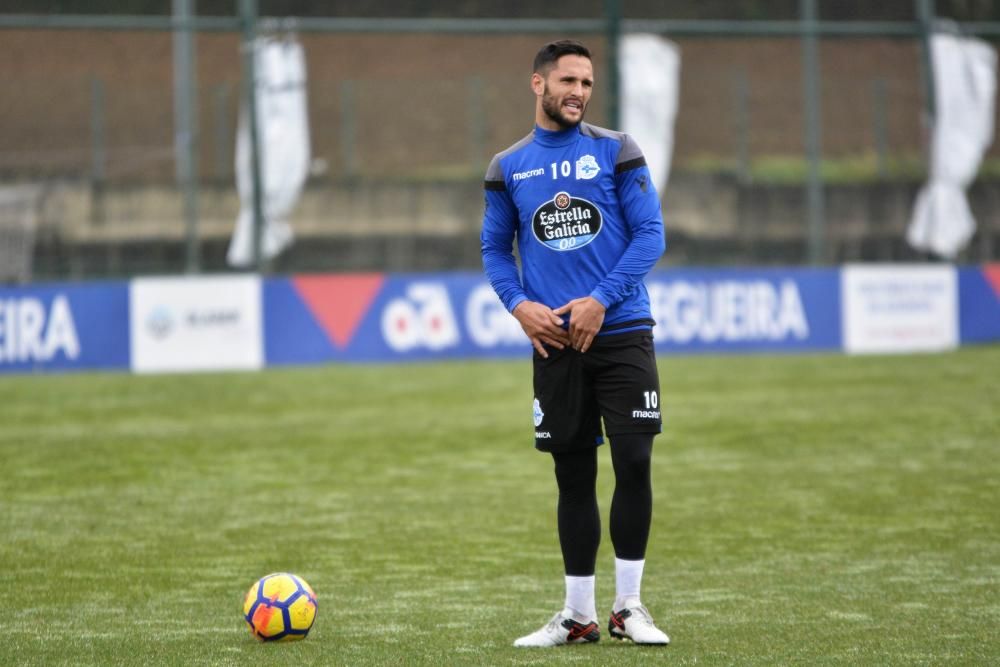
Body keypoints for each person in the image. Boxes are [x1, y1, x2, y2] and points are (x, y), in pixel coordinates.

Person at [481, 39, 670, 648]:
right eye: (568, 81)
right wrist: (518, 305)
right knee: (572, 476)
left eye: (587, 83)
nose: (579, 93)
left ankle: (629, 608)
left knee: (634, 461)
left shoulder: (617, 151)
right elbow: (493, 248)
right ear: (538, 85)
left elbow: (650, 235)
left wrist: (601, 300)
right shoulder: (507, 166)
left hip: (621, 331)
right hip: (555, 345)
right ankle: (578, 615)